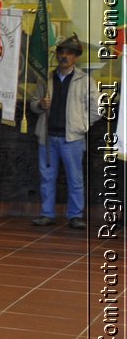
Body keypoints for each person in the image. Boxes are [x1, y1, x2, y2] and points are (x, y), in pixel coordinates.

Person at [33, 35, 98, 229]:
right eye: (61, 52)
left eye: (69, 53)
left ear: (76, 57)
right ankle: (47, 214)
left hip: (72, 139)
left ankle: (75, 216)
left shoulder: (85, 80)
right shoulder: (46, 78)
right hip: (47, 136)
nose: (64, 56)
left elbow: (97, 108)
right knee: (47, 178)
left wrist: (82, 126)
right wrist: (39, 104)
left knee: (75, 179)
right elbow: (33, 104)